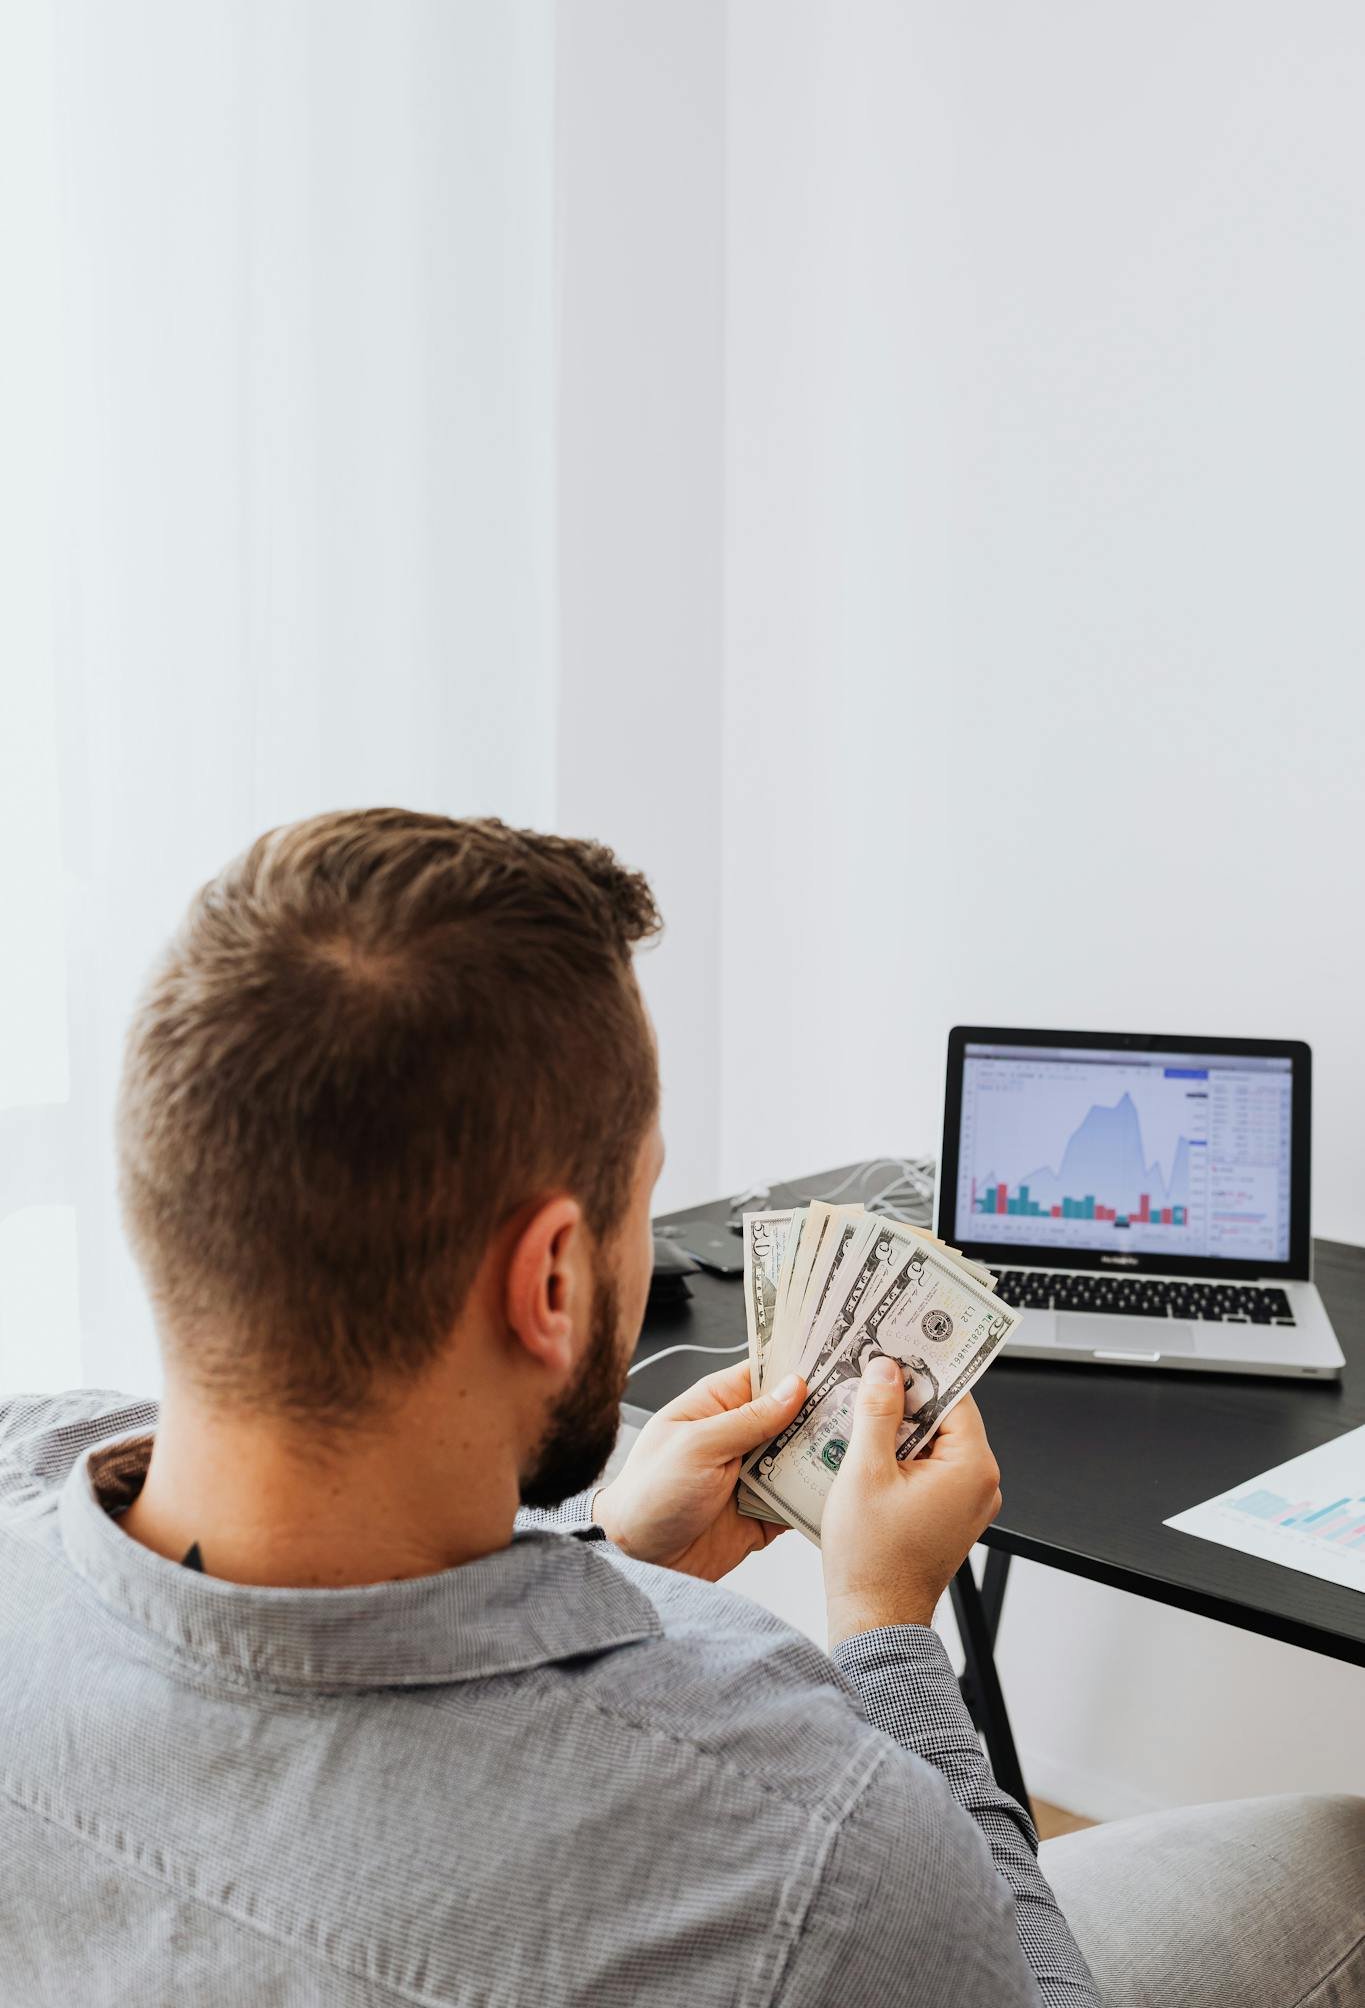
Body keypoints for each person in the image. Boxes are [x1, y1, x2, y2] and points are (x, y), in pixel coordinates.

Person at [0, 810, 1360, 2008]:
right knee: (1339, 1865)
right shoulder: (797, 1848)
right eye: (644, 1198)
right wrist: (886, 1629)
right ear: (547, 1277)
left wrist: (611, 1556)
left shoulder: (23, 1471)